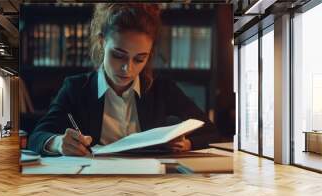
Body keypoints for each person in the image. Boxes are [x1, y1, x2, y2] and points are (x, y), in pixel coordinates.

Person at [28, 3, 218, 156]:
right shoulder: (76, 88)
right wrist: (58, 143)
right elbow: (37, 136)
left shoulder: (163, 89)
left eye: (139, 59)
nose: (128, 68)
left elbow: (211, 132)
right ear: (102, 42)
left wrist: (188, 143)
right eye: (119, 55)